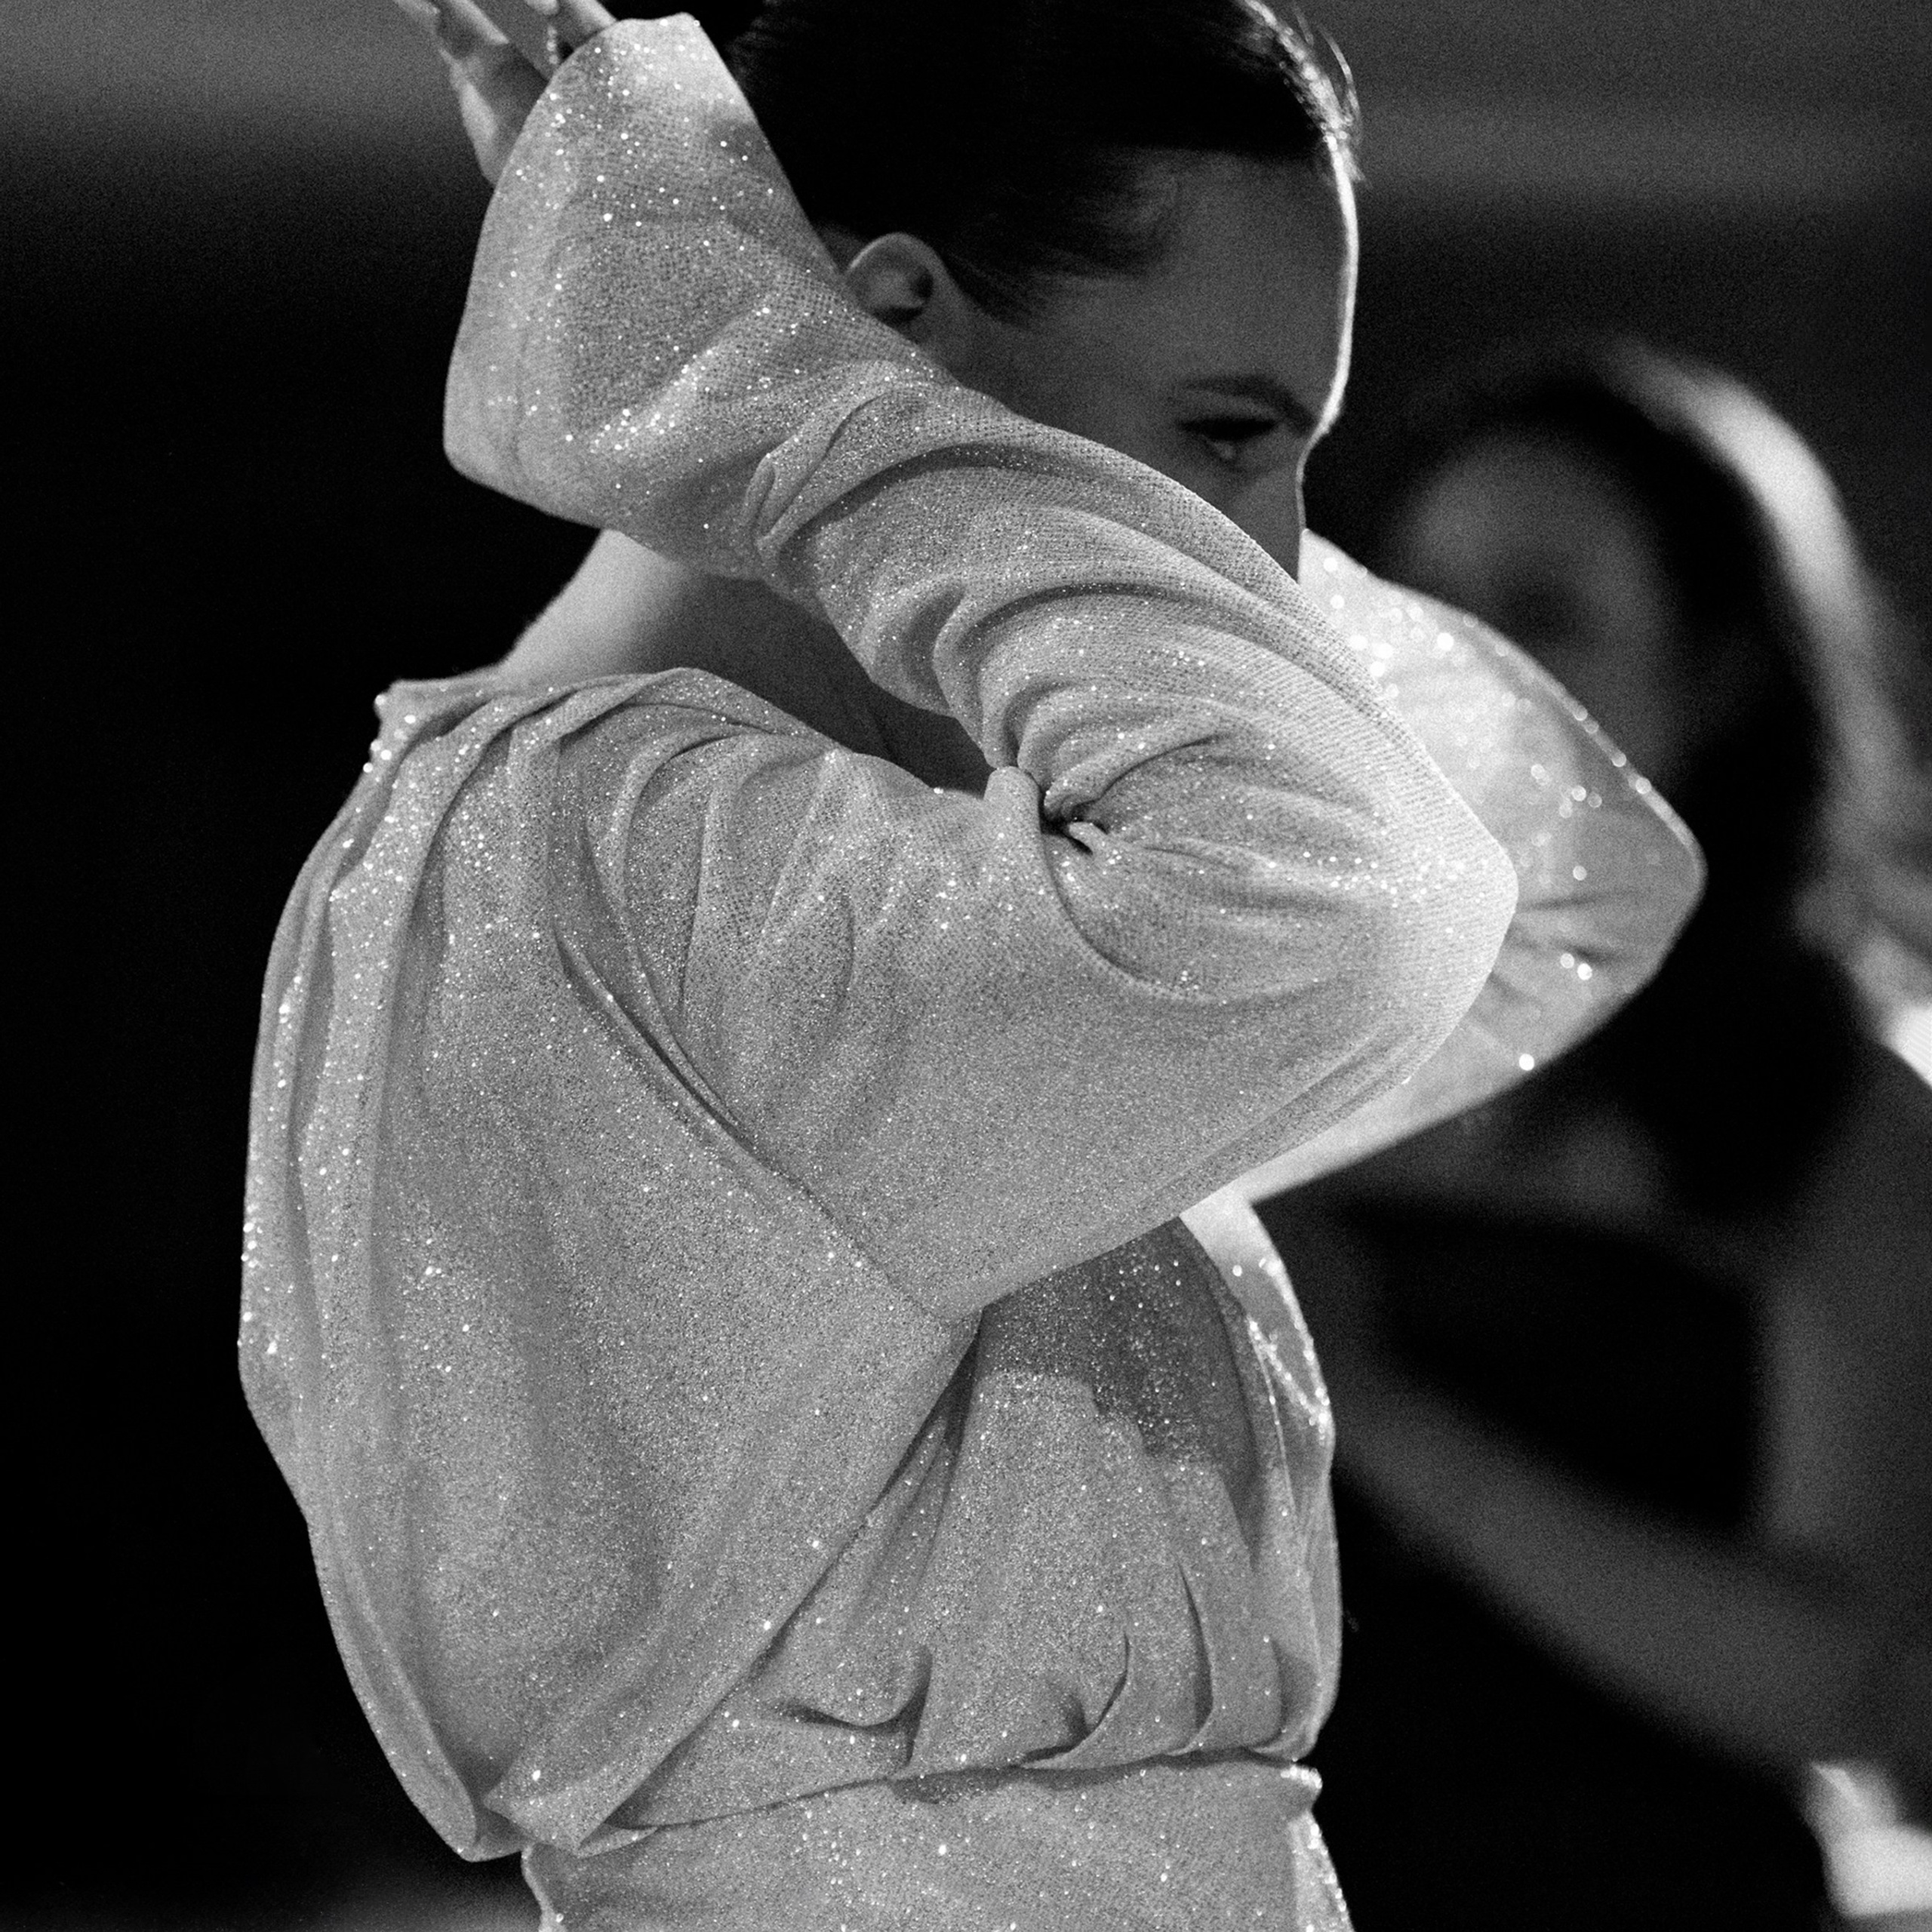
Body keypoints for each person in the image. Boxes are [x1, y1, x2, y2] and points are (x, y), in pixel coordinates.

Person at [240, 6, 1697, 1927]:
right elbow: (1376, 886)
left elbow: (1575, 880)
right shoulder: (617, 853)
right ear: (892, 326)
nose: (1265, 566)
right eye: (1233, 434)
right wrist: (773, 384)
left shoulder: (951, 876)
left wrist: (749, 359)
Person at [1244, 343, 1932, 1929]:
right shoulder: (1258, 1019)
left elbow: (1849, 1679)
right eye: (1421, 599)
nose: (1458, 663)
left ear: (1716, 673)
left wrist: (1390, 1418)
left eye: (1542, 611)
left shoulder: (1833, 1116)